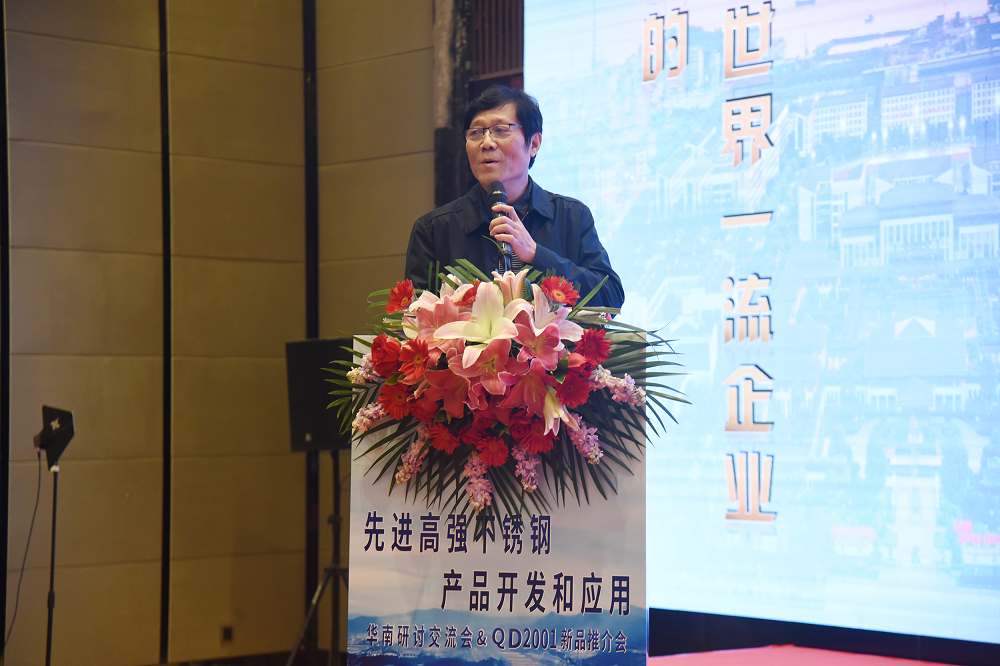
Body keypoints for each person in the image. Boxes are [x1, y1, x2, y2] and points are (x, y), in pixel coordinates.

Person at [404, 85, 624, 309]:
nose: (487, 143)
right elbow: (414, 318)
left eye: (501, 130)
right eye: (476, 133)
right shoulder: (434, 230)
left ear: (534, 144)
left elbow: (611, 298)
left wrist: (537, 254)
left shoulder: (572, 217)